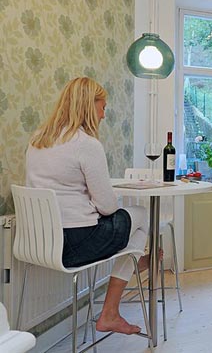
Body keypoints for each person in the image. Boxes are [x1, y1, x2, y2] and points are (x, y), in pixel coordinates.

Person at [25, 77, 149, 335]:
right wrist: (100, 200)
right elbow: (106, 207)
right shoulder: (86, 144)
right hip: (76, 244)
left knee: (127, 226)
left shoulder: (37, 139)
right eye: (102, 107)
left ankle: (139, 259)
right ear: (87, 106)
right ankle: (111, 311)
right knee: (141, 214)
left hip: (39, 243)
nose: (104, 115)